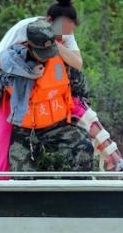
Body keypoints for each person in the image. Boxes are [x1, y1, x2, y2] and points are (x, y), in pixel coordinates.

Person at [0, 0, 123, 174]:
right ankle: (0, 182)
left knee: (85, 129)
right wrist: (26, 71)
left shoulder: (63, 34)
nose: (64, 35)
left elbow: (77, 63)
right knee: (4, 141)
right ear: (49, 20)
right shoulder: (22, 32)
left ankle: (113, 164)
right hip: (19, 106)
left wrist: (54, 44)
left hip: (55, 105)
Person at [6, 19, 95, 172]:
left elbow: (81, 91)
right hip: (22, 131)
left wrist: (76, 117)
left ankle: (77, 191)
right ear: (28, 46)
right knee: (22, 172)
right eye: (42, 53)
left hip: (55, 125)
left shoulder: (63, 61)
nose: (47, 57)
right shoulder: (11, 63)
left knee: (83, 147)